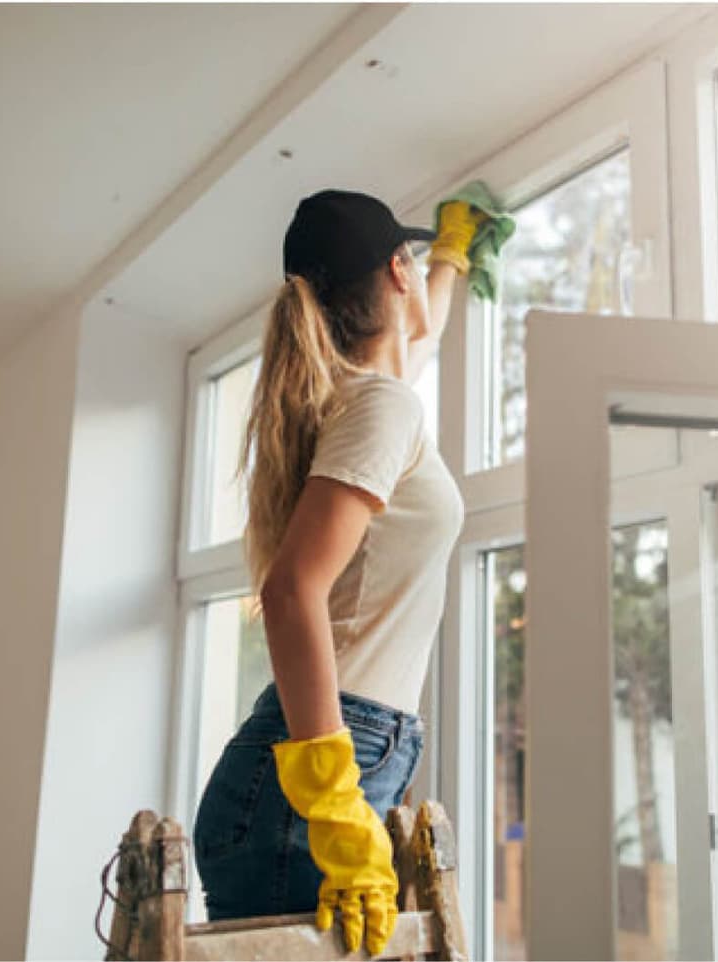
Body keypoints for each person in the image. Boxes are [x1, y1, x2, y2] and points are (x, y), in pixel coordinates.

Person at [191, 188, 486, 956]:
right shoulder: (380, 407)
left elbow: (420, 340)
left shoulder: (360, 400)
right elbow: (290, 591)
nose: (425, 275)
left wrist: (452, 256)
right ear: (397, 271)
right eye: (418, 260)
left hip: (311, 767)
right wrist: (334, 804)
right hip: (316, 777)